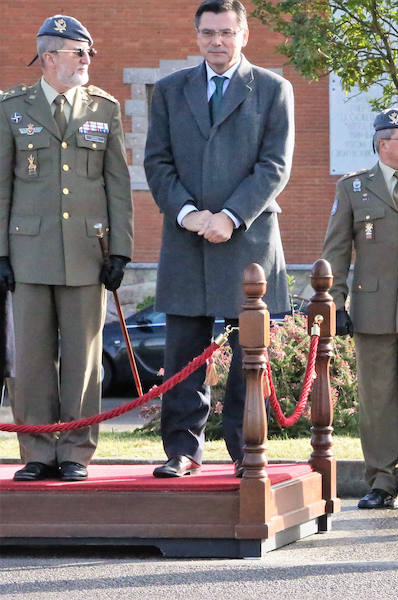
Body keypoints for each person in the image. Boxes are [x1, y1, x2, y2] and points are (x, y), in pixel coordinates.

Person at [143, 0, 293, 478]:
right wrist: (188, 213)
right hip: (186, 240)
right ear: (197, 35)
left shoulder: (273, 89)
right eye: (208, 32)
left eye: (227, 32)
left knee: (247, 355)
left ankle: (243, 450)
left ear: (244, 34)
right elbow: (157, 163)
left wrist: (230, 215)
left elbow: (274, 166)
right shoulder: (169, 91)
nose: (217, 42)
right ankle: (182, 451)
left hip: (248, 244)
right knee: (182, 352)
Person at [0, 15, 134, 481]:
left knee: (84, 358)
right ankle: (36, 451)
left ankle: (76, 449)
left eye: (88, 52)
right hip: (28, 253)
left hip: (86, 252)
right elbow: (1, 185)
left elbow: (118, 184)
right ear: (49, 56)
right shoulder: (12, 107)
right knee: (32, 360)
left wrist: (120, 251)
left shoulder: (104, 108)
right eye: (79, 52)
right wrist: (0, 253)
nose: (87, 60)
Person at [321, 108, 398, 510]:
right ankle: (379, 480)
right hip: (373, 311)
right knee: (377, 400)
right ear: (382, 144)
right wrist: (334, 302)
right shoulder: (353, 189)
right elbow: (336, 251)